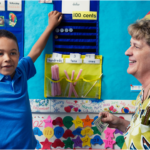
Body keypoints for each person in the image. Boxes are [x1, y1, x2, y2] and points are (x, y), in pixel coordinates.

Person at [0, 11, 62, 149]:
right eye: (0, 53)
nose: (7, 58)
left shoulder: (21, 72)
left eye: (13, 53)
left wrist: (50, 27)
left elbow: (35, 51)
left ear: (18, 55)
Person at [99, 18, 150, 149]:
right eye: (130, 44)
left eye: (136, 46)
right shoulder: (143, 95)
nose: (127, 52)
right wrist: (120, 123)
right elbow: (143, 138)